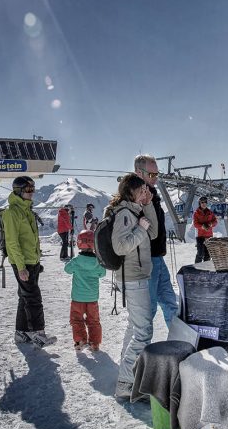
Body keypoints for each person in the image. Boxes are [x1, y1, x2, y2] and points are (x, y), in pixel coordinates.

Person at [107, 173, 154, 398]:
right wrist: (140, 229)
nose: (146, 192)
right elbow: (121, 246)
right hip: (133, 279)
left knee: (137, 328)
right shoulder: (126, 214)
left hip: (134, 277)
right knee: (143, 332)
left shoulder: (132, 212)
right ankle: (126, 382)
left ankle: (128, 377)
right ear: (131, 191)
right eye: (142, 189)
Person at [5, 176, 55, 347]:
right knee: (33, 297)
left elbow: (31, 238)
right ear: (18, 191)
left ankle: (21, 332)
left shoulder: (27, 210)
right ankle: (37, 333)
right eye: (28, 189)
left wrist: (36, 260)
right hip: (22, 262)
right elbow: (12, 242)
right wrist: (21, 267)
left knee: (24, 297)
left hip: (31, 261)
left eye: (33, 189)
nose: (31, 192)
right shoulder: (12, 212)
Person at [135, 154, 178, 327]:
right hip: (147, 260)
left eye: (157, 174)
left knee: (170, 302)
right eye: (151, 175)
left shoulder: (151, 194)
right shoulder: (135, 195)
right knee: (148, 309)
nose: (155, 178)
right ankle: (135, 352)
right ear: (139, 172)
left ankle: (179, 344)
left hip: (158, 258)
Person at [64, 229, 106, 351]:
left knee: (77, 319)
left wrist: (74, 262)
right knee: (93, 320)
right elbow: (102, 273)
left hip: (77, 298)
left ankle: (80, 340)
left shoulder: (76, 261)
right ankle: (95, 343)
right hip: (92, 298)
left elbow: (67, 270)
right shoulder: (97, 262)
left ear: (79, 243)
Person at [192, 196, 217, 263]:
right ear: (199, 203)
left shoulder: (210, 213)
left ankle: (206, 269)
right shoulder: (196, 213)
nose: (204, 204)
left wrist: (210, 224)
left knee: (208, 255)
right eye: (202, 202)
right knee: (200, 254)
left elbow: (215, 222)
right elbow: (195, 224)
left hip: (209, 236)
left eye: (205, 202)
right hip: (200, 236)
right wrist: (202, 226)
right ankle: (197, 268)